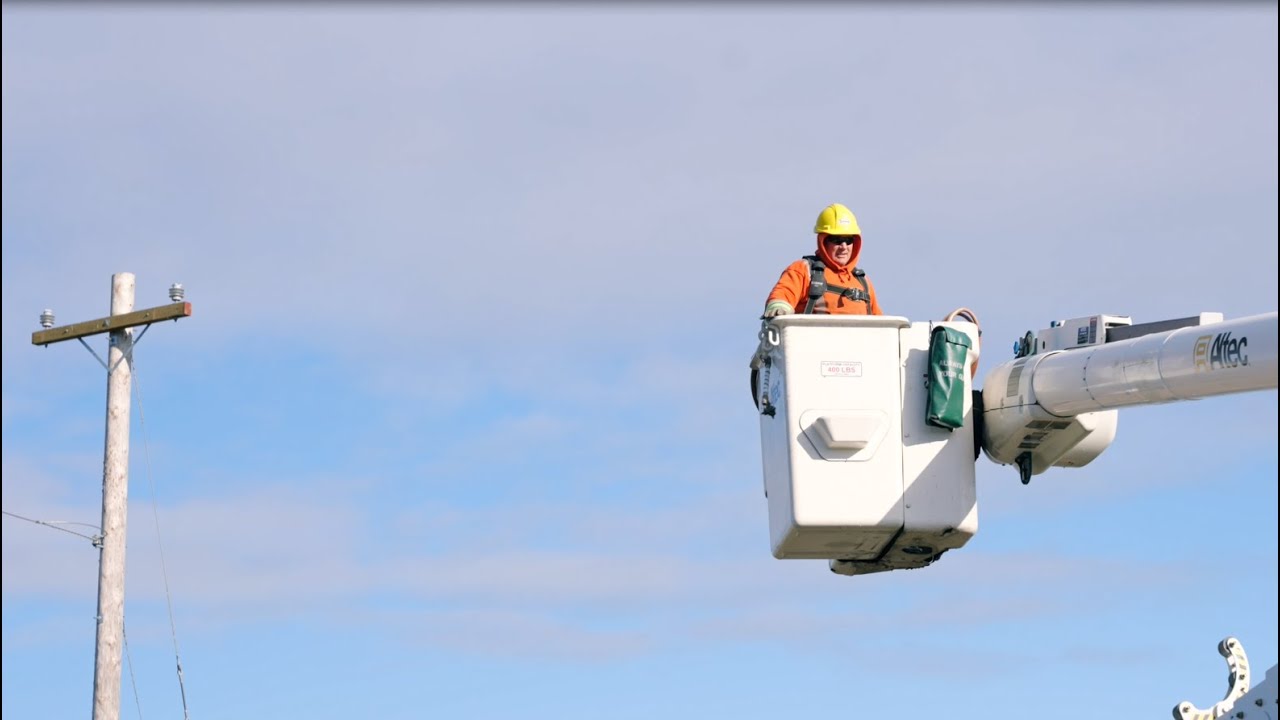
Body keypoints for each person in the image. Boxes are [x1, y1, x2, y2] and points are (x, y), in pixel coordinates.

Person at [763, 203, 883, 317]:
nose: (844, 247)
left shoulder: (863, 282)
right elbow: (783, 294)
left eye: (848, 240)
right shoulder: (804, 270)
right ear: (823, 241)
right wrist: (778, 308)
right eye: (837, 240)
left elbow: (882, 325)